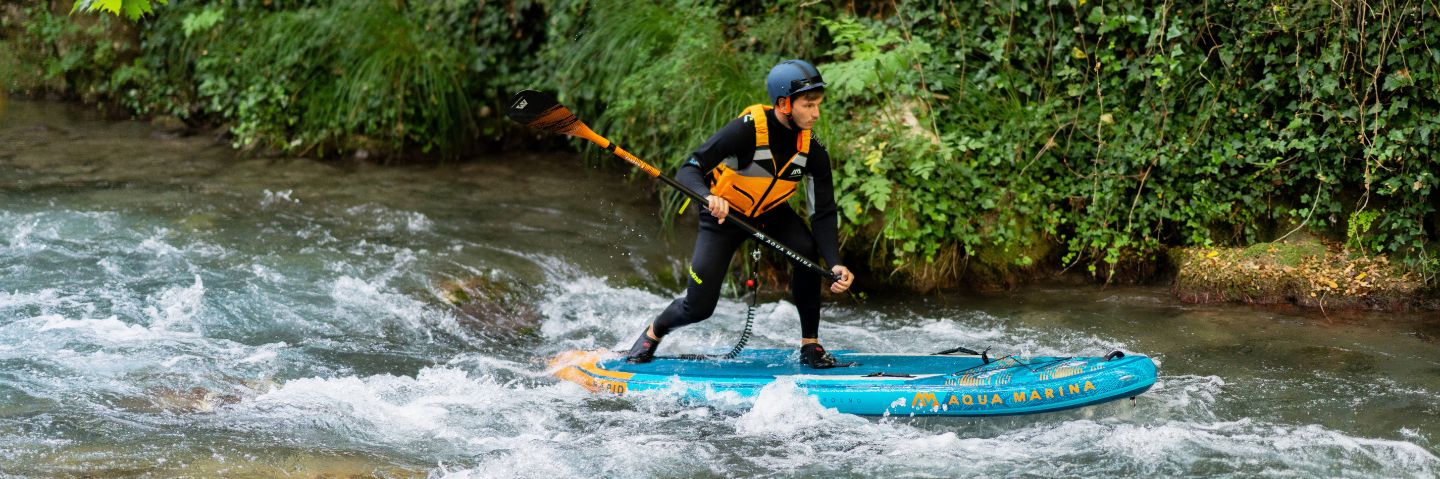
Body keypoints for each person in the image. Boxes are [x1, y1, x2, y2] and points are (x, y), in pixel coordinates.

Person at [625, 59, 855, 368]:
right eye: (808, 104)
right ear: (784, 103)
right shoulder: (745, 131)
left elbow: (823, 213)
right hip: (724, 215)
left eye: (818, 105)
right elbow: (690, 168)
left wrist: (836, 263)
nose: (816, 113)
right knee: (699, 307)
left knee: (807, 252)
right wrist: (708, 198)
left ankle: (810, 344)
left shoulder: (813, 151)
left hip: (771, 213)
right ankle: (654, 332)